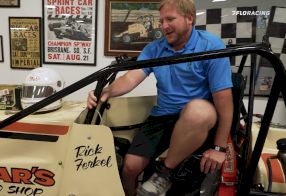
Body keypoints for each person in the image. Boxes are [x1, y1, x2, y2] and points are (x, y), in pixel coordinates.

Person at [87, 0, 233, 195]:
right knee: (130, 167)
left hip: (196, 119)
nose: (163, 26)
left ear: (189, 18)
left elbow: (224, 100)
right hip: (162, 116)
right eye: (161, 20)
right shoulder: (155, 48)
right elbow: (131, 78)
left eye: (170, 19)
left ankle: (164, 174)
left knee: (198, 110)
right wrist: (105, 92)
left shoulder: (211, 45)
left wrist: (219, 148)